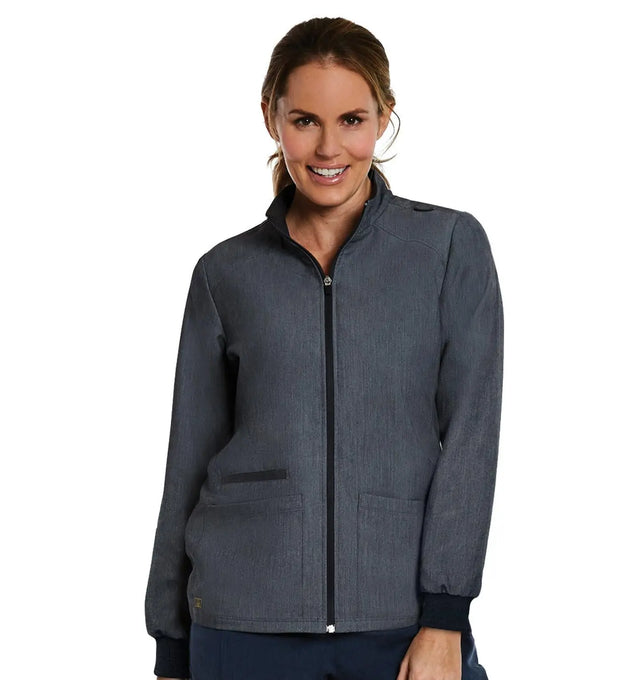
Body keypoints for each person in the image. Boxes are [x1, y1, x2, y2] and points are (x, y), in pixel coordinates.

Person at [145, 16, 504, 680]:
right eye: (305, 120)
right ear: (271, 118)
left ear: (383, 117)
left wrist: (445, 616)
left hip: (399, 623)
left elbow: (471, 441)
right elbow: (188, 461)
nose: (329, 146)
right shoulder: (225, 274)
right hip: (240, 625)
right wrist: (170, 642)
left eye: (352, 120)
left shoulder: (449, 249)